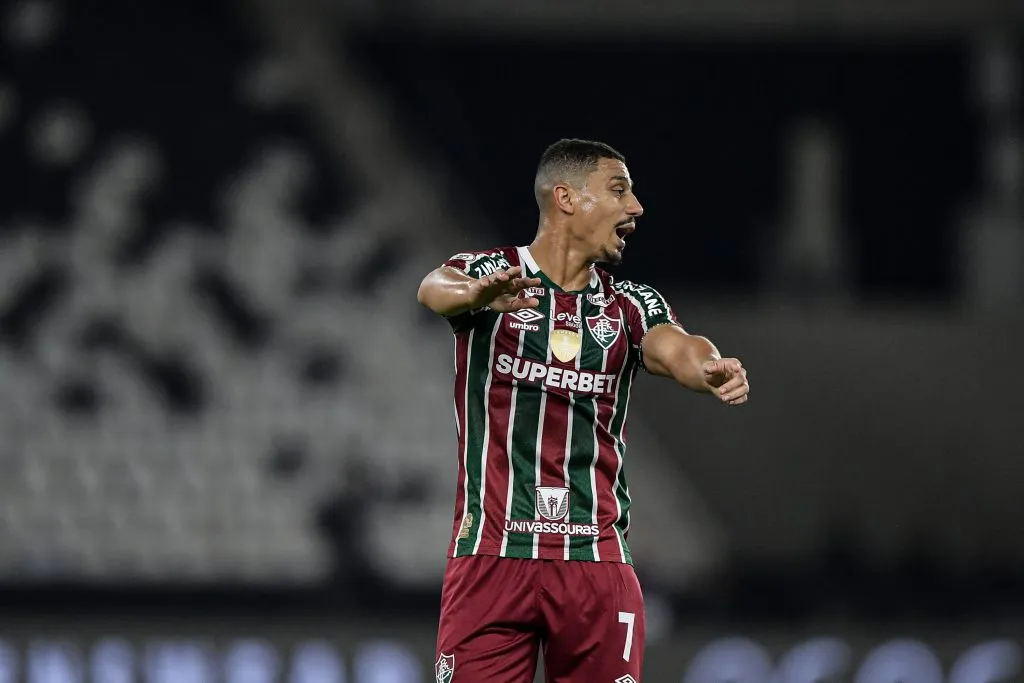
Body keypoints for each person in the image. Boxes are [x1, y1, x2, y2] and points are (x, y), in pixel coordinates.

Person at [417, 139, 750, 683]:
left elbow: (677, 346)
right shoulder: (492, 275)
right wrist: (476, 294)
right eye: (619, 190)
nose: (636, 207)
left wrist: (709, 366)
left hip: (594, 560)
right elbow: (434, 288)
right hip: (491, 555)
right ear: (566, 198)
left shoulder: (630, 306)